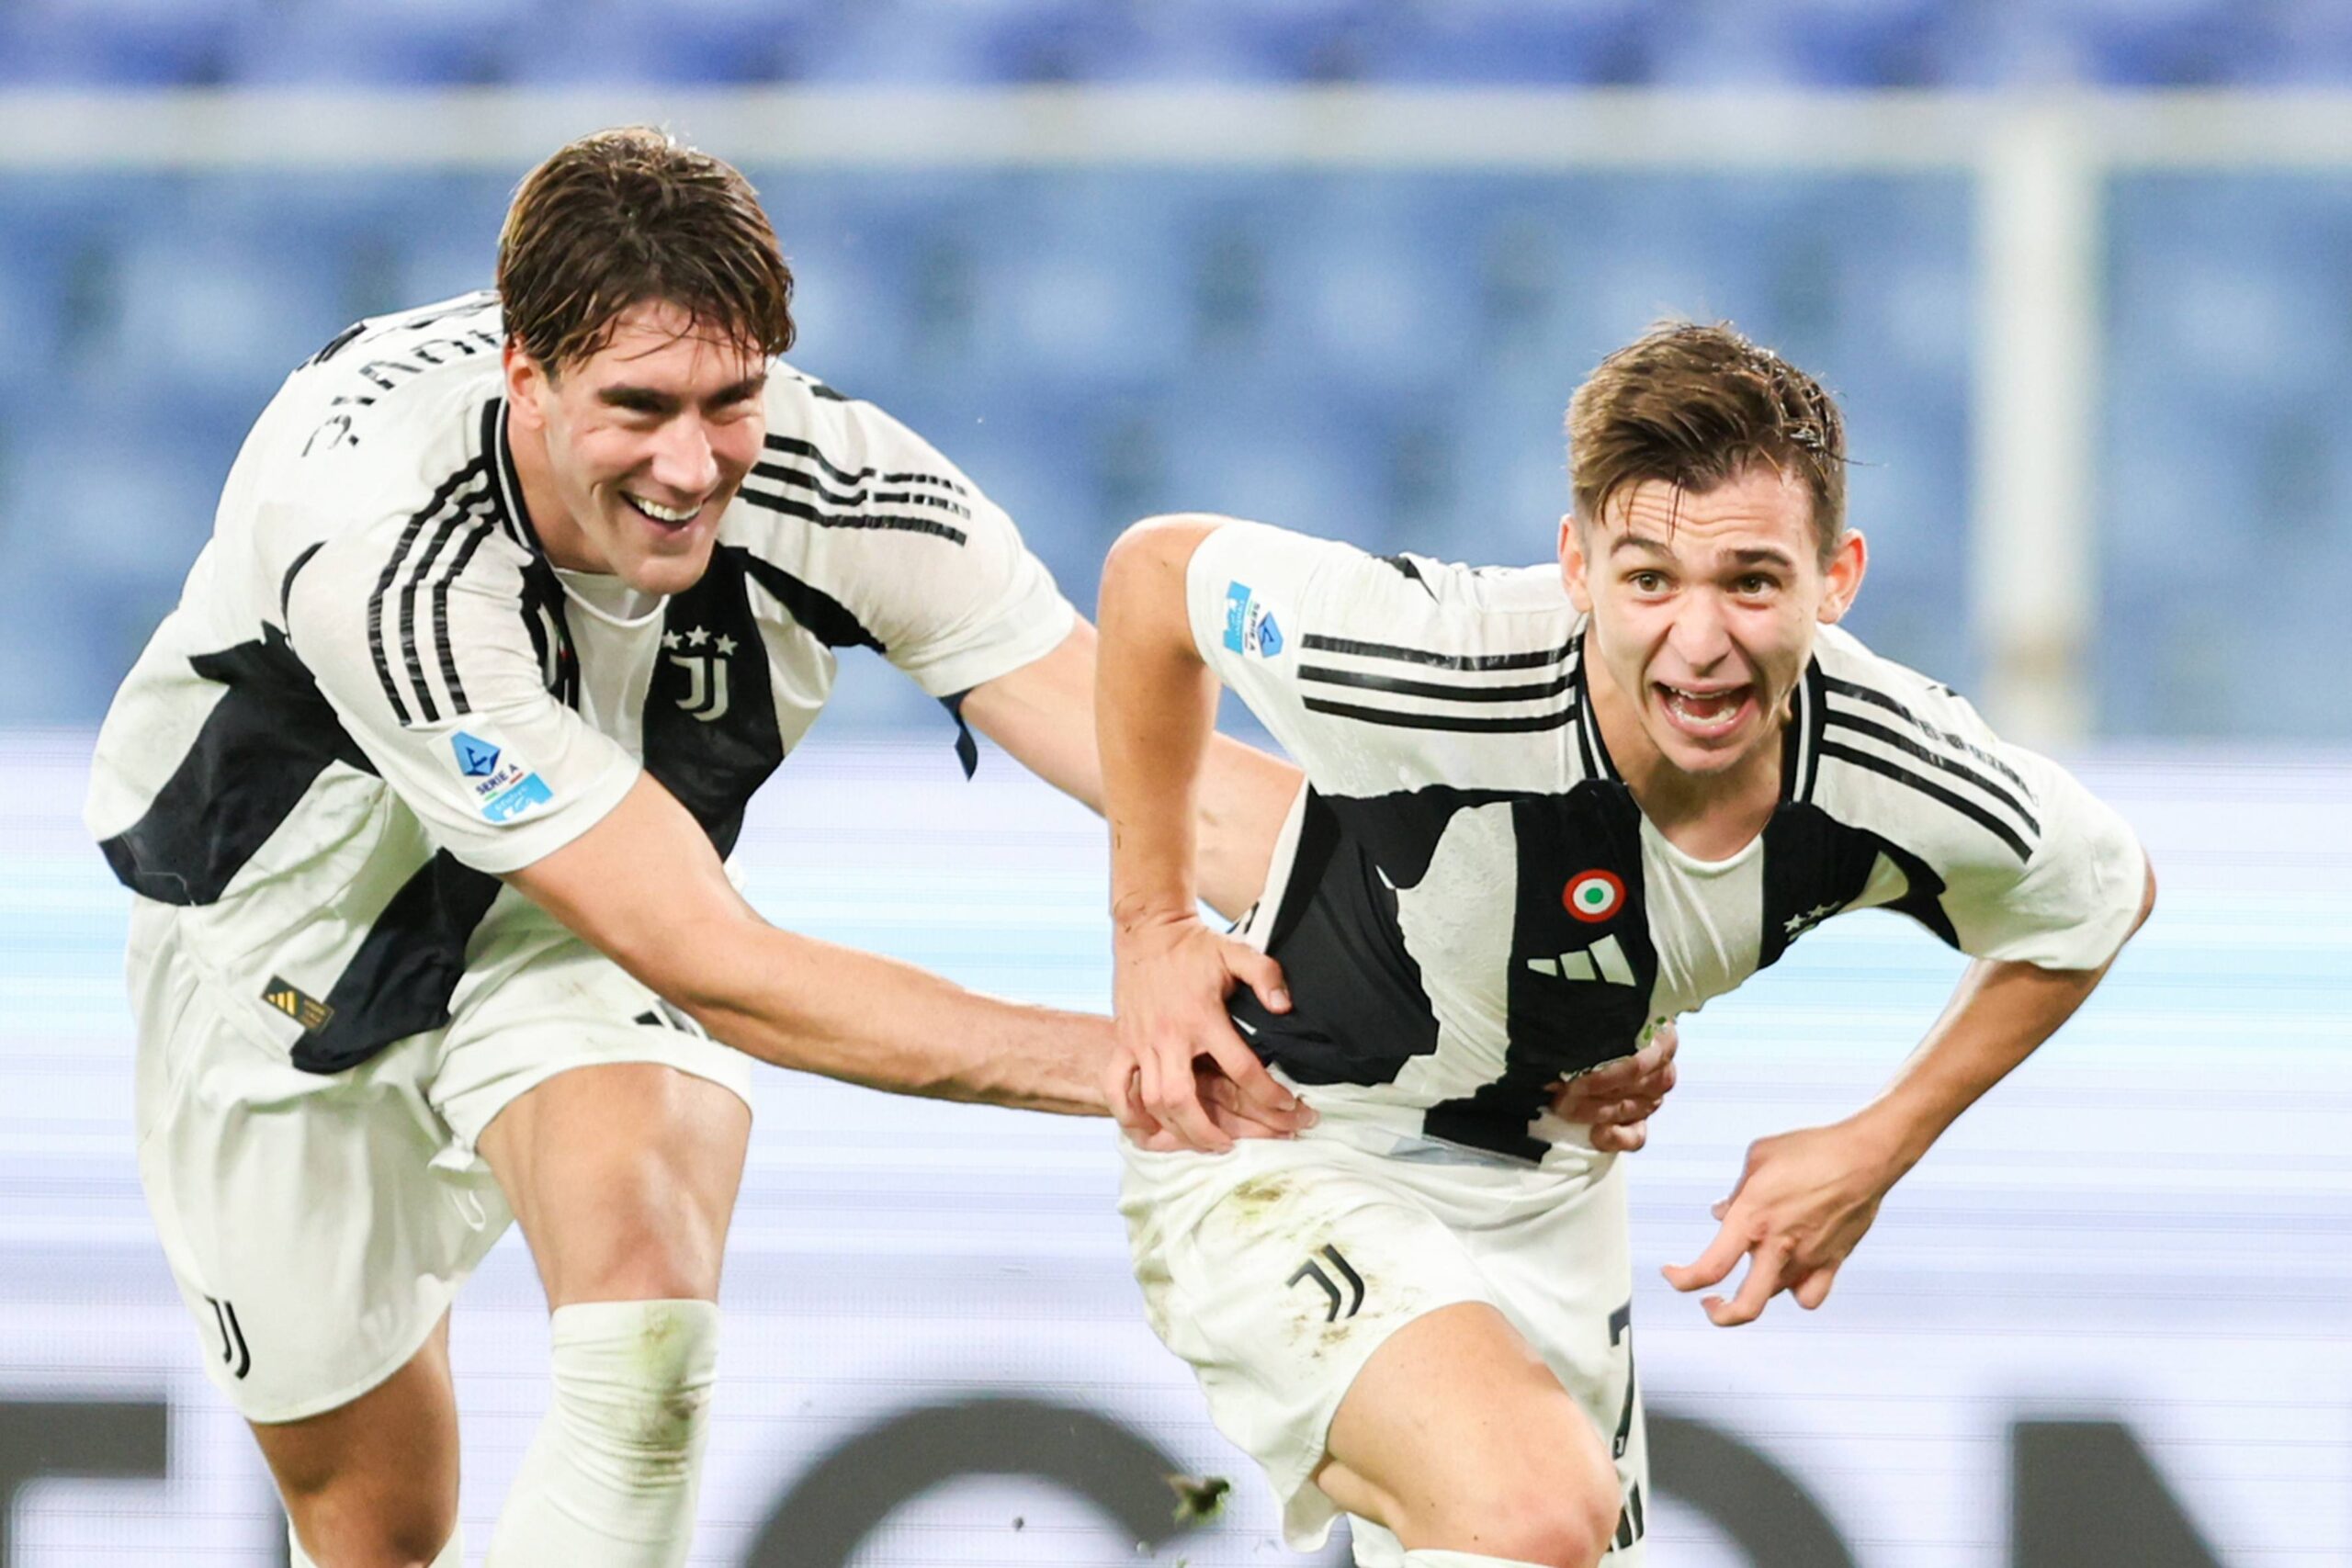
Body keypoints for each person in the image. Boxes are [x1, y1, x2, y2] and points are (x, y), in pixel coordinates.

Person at [78, 127, 1338, 1568]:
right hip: (277, 973)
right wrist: (1142, 1061)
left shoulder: (833, 479)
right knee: (375, 1522)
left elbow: (1164, 777)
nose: (693, 465)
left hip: (580, 930)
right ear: (526, 378)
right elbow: (721, 966)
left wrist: (1486, 958)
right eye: (641, 407)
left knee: (647, 1335)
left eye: (732, 399)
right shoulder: (382, 541)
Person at [1096, 321, 2156, 1568]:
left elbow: (2100, 896)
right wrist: (1153, 921)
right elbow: (1155, 577)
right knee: (1536, 1509)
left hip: (1553, 1191)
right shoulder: (1423, 657)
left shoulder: (1891, 764)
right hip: (1289, 1141)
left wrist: (1878, 1144)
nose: (1700, 642)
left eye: (1753, 582)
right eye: (1650, 579)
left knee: (1546, 1533)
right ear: (1577, 566)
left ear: (1839, 576)